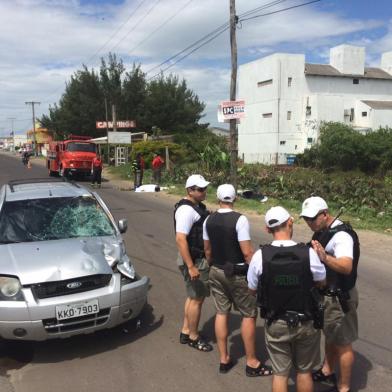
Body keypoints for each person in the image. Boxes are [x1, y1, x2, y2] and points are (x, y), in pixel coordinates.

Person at [247, 206, 326, 392]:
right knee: (305, 372)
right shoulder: (308, 253)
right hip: (306, 320)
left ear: (267, 229)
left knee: (280, 374)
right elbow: (321, 281)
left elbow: (251, 289)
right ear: (290, 222)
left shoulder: (260, 256)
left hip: (276, 321)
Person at [203, 184, 272, 376]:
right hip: (238, 273)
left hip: (216, 270)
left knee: (221, 312)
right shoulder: (240, 220)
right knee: (249, 314)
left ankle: (224, 358)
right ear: (235, 199)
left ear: (218, 198)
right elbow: (247, 253)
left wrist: (212, 266)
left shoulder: (208, 219)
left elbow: (207, 250)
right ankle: (252, 362)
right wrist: (256, 274)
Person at [300, 197, 360, 392]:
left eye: (312, 218)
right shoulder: (324, 230)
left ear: (325, 214)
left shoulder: (342, 236)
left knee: (343, 343)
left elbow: (346, 266)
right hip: (327, 296)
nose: (309, 223)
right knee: (331, 335)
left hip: (340, 297)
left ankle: (344, 387)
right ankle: (327, 370)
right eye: (306, 219)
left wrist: (325, 258)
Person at [174, 174, 212, 352]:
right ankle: (194, 337)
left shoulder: (195, 207)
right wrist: (191, 266)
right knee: (197, 299)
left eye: (205, 188)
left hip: (194, 259)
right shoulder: (186, 210)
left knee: (192, 297)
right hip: (194, 260)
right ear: (190, 190)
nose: (204, 192)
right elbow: (181, 239)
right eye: (201, 189)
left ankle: (186, 330)